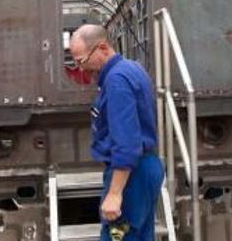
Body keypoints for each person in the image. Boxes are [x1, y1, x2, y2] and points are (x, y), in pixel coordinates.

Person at [69, 24, 164, 241]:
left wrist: (114, 194)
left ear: (102, 48)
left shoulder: (116, 81)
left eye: (82, 61)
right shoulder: (133, 68)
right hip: (146, 167)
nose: (81, 69)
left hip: (131, 175)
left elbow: (127, 143)